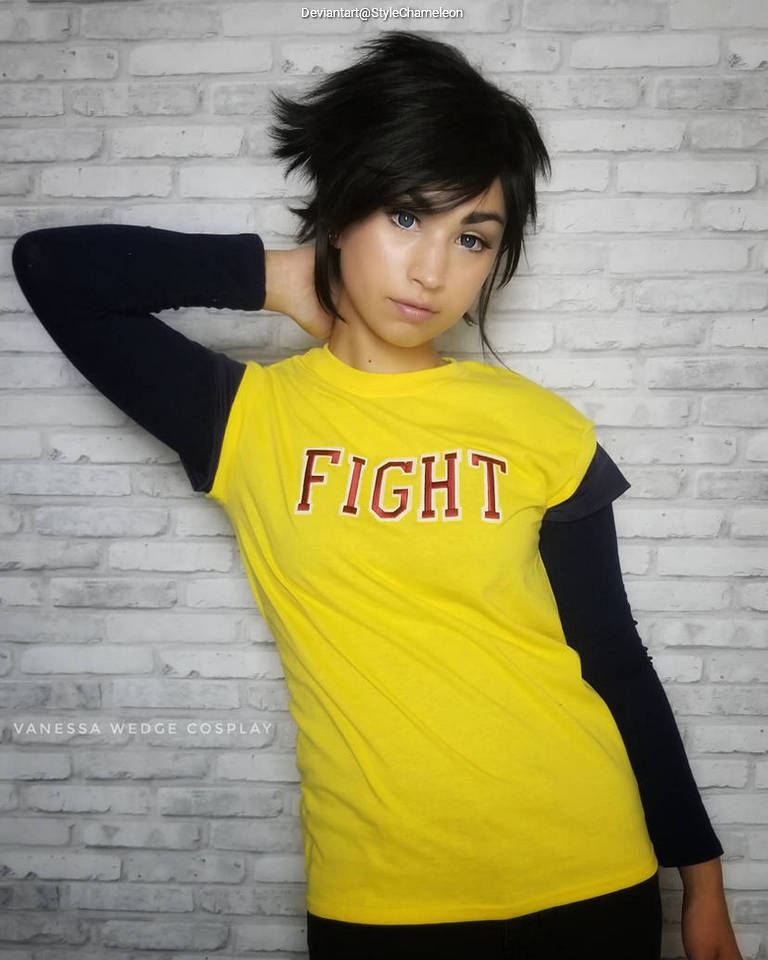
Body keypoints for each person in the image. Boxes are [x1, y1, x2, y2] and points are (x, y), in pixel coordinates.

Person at [12, 30, 741, 960]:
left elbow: (613, 659)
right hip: (381, 898)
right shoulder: (246, 419)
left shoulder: (540, 426)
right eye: (404, 216)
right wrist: (287, 277)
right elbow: (55, 272)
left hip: (592, 870)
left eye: (471, 237)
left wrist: (703, 883)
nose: (434, 271)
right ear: (345, 208)